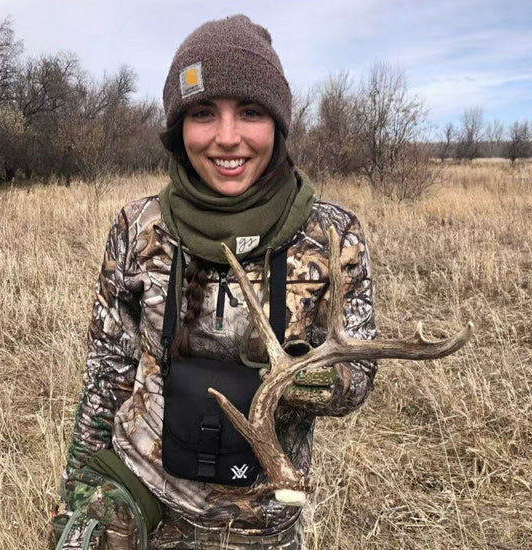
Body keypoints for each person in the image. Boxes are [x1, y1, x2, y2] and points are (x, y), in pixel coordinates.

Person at [52, 14, 377, 550]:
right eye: (204, 113)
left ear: (277, 123)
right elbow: (106, 372)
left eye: (250, 111)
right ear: (179, 127)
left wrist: (302, 378)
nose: (228, 138)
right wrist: (81, 492)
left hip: (259, 522)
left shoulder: (332, 235)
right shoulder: (138, 227)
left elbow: (357, 378)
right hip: (140, 502)